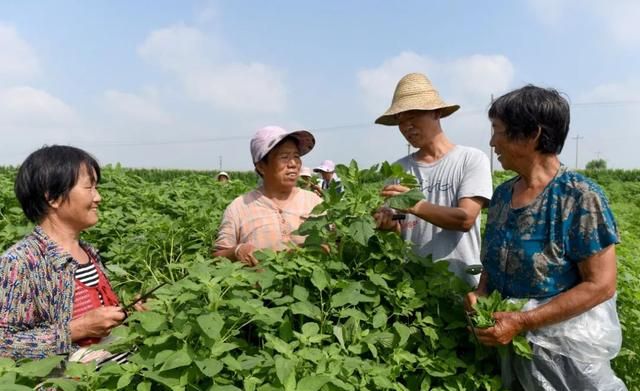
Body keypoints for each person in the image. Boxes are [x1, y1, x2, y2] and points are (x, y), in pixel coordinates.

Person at [465, 85, 626, 389]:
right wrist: (482, 294)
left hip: (565, 353)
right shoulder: (502, 196)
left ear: (530, 135)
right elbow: (493, 262)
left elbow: (601, 285)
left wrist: (524, 321)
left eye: (497, 130)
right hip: (508, 343)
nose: (491, 142)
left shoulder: (579, 197)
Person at [0, 145, 143, 361]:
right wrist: (77, 329)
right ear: (53, 198)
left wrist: (127, 315)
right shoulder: (20, 262)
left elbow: (97, 322)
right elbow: (4, 344)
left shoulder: (88, 253)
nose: (98, 198)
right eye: (89, 188)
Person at [374, 73, 493, 287]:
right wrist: (389, 223)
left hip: (462, 286)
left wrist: (414, 204)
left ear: (436, 112)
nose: (406, 126)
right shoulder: (398, 169)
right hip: (413, 290)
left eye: (413, 116)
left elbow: (465, 219)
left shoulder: (470, 159)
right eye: (400, 119)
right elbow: (402, 222)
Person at [213, 126, 322, 266]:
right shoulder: (239, 208)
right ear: (261, 167)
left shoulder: (315, 202)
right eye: (284, 157)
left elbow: (337, 243)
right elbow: (217, 257)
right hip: (261, 287)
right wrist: (237, 251)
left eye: (296, 156)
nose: (293, 164)